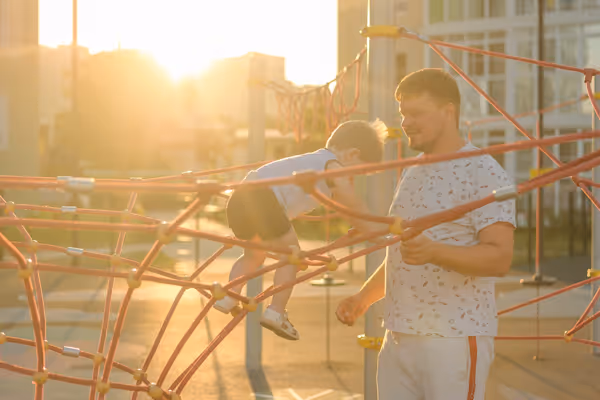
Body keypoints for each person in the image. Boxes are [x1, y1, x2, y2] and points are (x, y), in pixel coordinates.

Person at [336, 69, 516, 400]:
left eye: (416, 113)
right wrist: (363, 298)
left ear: (449, 111)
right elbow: (404, 253)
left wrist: (434, 252)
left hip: (453, 340)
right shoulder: (412, 171)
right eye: (403, 114)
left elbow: (500, 257)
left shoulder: (484, 171)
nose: (405, 122)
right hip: (399, 337)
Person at [214, 120, 387, 341]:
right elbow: (351, 204)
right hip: (264, 199)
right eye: (359, 171)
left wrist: (361, 228)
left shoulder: (314, 160)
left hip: (239, 199)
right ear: (352, 155)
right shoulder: (332, 166)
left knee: (253, 255)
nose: (354, 178)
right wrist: (378, 231)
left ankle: (228, 295)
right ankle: (276, 312)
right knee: (292, 257)